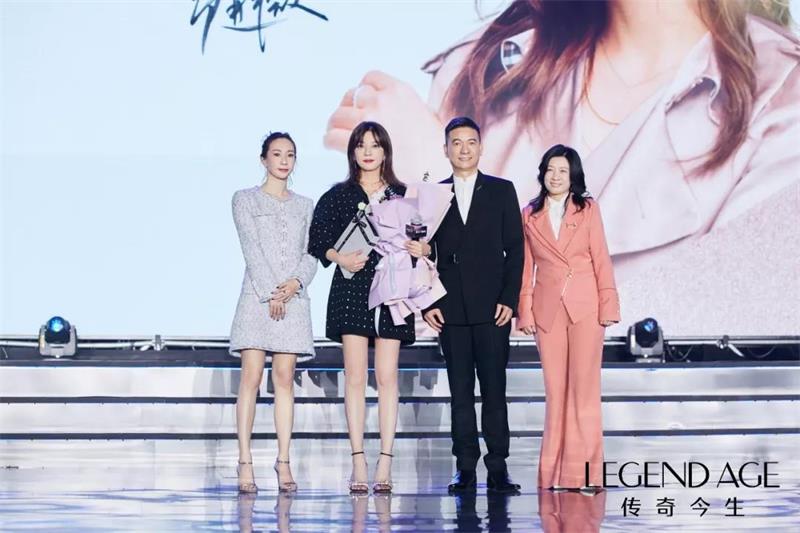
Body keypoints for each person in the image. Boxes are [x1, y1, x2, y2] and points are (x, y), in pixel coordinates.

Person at [325, 0, 800, 336]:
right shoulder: (485, 66)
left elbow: (717, 349)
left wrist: (437, 177)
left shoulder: (781, 101)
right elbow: (415, 328)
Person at [308, 121, 426, 494]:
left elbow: (425, 241)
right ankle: (358, 459)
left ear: (386, 150)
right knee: (356, 377)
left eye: (375, 145)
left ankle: (385, 461)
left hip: (393, 292)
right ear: (353, 152)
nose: (368, 152)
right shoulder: (338, 195)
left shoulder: (403, 195)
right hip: (352, 288)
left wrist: (421, 248)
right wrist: (340, 257)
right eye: (361, 145)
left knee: (388, 376)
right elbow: (317, 241)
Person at [423, 116, 524, 494]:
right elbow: (423, 255)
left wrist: (509, 300)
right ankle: (464, 467)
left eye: (470, 142)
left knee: (495, 392)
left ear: (481, 147)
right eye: (456, 142)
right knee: (460, 393)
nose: (463, 149)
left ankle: (498, 467)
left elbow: (516, 249)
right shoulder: (433, 195)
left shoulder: (501, 190)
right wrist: (428, 301)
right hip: (450, 309)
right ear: (445, 149)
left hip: (493, 310)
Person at [517, 145, 620, 492]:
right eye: (550, 169)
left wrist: (608, 305)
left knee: (584, 390)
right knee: (555, 391)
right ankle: (554, 475)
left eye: (562, 170)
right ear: (542, 174)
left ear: (573, 175)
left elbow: (601, 257)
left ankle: (586, 474)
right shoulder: (530, 214)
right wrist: (525, 310)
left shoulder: (588, 209)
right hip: (547, 310)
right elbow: (525, 268)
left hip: (585, 308)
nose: (556, 176)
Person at [230, 132, 317, 493]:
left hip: (293, 299)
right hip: (256, 299)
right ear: (263, 159)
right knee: (251, 377)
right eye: (277, 154)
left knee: (284, 378)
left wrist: (293, 284)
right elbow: (251, 248)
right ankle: (244, 461)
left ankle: (283, 461)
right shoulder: (245, 199)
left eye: (290, 155)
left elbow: (311, 253)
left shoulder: (306, 205)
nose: (283, 161)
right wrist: (271, 293)